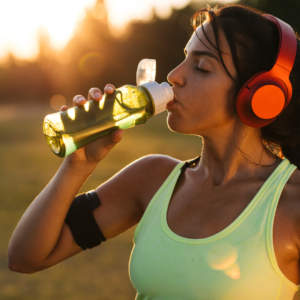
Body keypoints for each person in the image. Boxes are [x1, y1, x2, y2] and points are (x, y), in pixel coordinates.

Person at [7, 4, 300, 299]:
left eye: (201, 67)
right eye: (185, 59)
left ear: (262, 95)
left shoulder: (292, 204)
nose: (174, 75)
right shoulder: (151, 179)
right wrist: (78, 165)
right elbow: (25, 257)